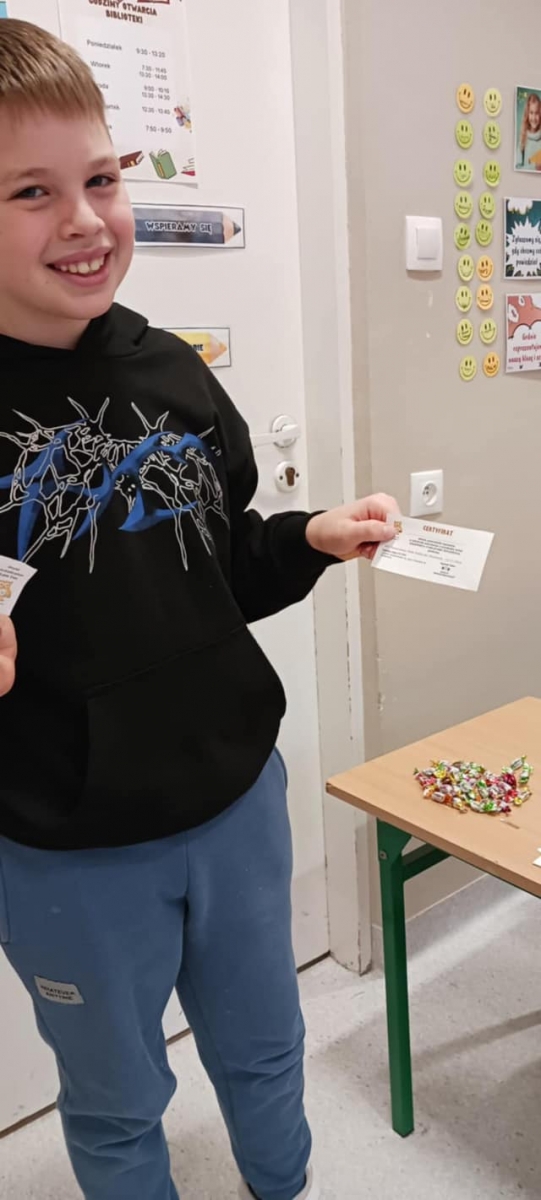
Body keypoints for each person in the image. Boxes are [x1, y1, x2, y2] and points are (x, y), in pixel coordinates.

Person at [0, 19, 398, 1200]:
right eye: (31, 191)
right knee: (117, 1102)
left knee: (268, 1051)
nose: (85, 220)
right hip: (67, 849)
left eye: (101, 179)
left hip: (235, 802)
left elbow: (217, 562)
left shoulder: (170, 369)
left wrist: (307, 539)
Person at [516, 91, 541, 170]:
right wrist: (535, 167)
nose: (533, 118)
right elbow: (517, 167)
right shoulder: (523, 138)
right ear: (527, 114)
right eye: (531, 113)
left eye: (537, 113)